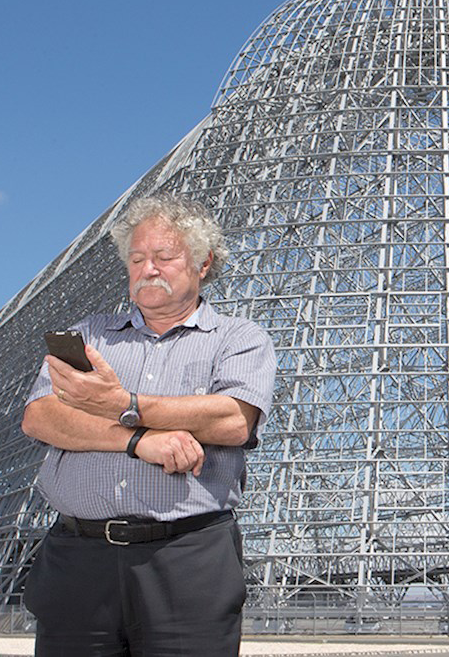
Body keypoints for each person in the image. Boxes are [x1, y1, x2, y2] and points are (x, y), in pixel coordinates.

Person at [20, 194, 276, 656]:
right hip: (79, 558)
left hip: (185, 559)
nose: (148, 269)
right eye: (137, 258)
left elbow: (233, 419)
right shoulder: (91, 335)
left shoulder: (238, 338)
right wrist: (139, 439)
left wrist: (121, 402)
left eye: (164, 257)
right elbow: (40, 416)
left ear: (202, 264)